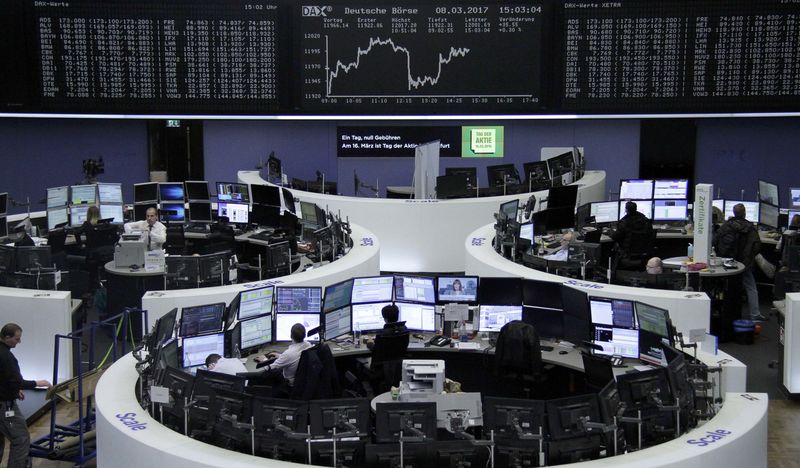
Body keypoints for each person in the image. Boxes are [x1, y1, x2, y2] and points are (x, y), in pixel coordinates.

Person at [1, 323, 52, 468]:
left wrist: (13, 389)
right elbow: (17, 381)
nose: (19, 342)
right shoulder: (6, 356)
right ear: (6, 337)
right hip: (4, 407)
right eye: (17, 339)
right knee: (21, 438)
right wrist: (37, 382)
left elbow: (4, 378)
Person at [714, 203, 764, 321]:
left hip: (727, 263)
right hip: (744, 263)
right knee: (751, 287)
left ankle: (724, 313)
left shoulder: (726, 226)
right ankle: (755, 314)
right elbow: (757, 246)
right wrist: (748, 259)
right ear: (745, 213)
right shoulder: (750, 228)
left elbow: (715, 241)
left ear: (733, 213)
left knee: (724, 287)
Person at [253, 323, 312, 387]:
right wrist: (280, 356)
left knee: (265, 375)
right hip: (302, 381)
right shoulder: (308, 345)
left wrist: (263, 360)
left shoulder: (288, 354)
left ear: (291, 336)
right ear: (304, 335)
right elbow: (293, 357)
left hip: (289, 384)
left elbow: (270, 368)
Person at [611, 201, 654, 270]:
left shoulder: (624, 222)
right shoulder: (645, 221)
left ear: (626, 210)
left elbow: (615, 237)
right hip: (644, 255)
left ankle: (613, 274)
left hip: (627, 254)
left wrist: (608, 232)